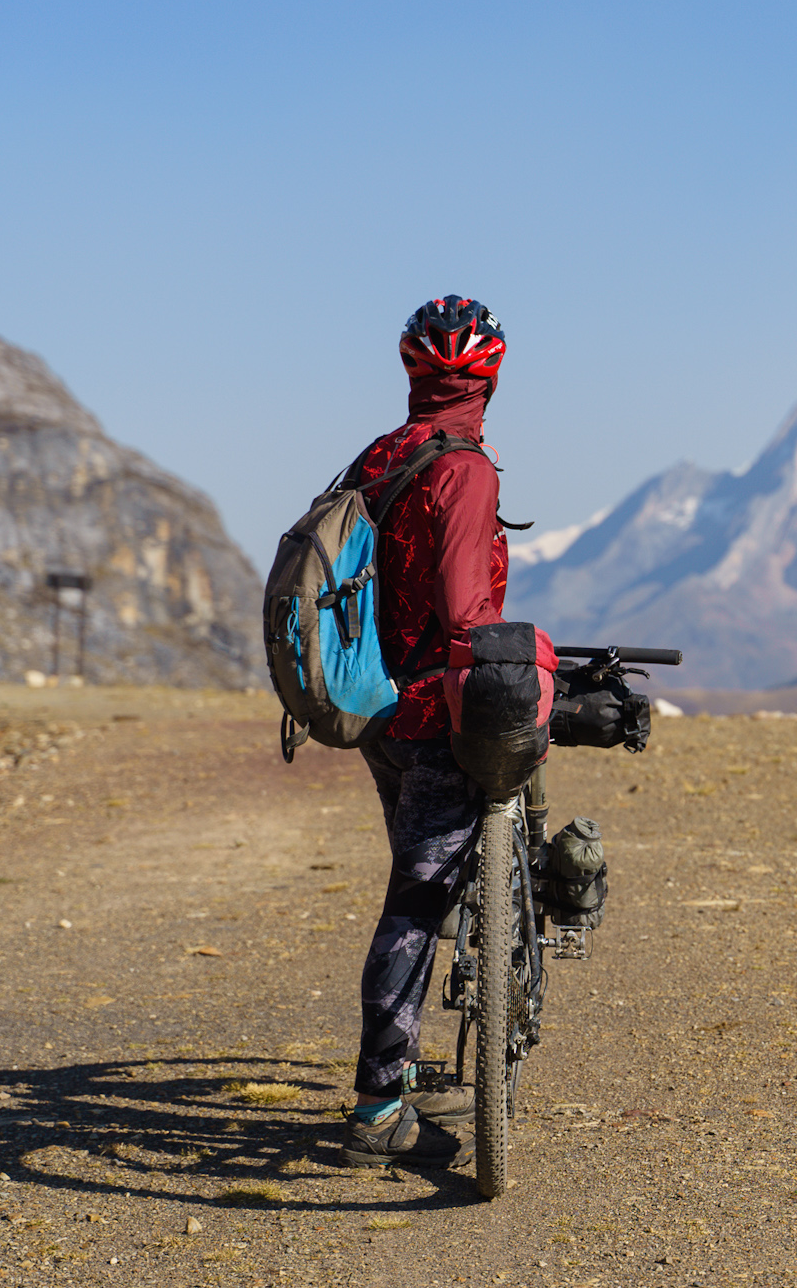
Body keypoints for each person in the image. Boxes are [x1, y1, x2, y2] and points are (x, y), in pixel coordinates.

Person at [340, 295, 512, 1169]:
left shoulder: (381, 455)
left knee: (418, 880)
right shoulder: (465, 469)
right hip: (433, 710)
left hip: (376, 710)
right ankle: (378, 1104)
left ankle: (401, 1065)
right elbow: (463, 613)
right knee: (415, 901)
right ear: (492, 374)